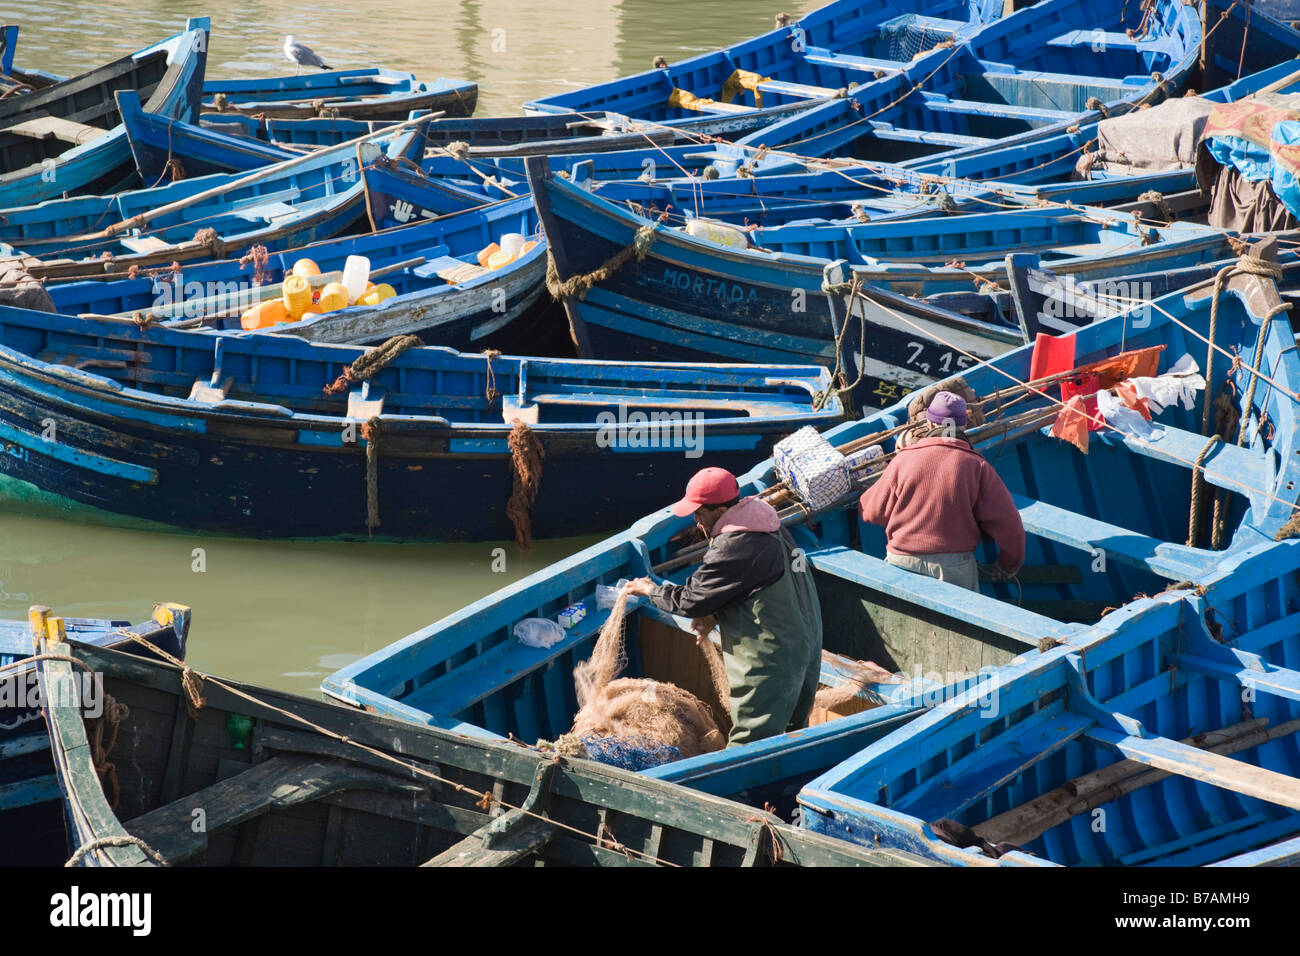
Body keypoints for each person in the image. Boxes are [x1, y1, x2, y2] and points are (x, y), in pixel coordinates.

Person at [623, 467, 822, 746]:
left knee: (751, 742)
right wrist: (715, 613)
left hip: (771, 660)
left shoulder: (735, 543)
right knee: (791, 730)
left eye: (700, 513)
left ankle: (741, 791)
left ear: (718, 511)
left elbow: (690, 600)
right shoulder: (766, 522)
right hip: (806, 643)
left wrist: (651, 590)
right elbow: (750, 582)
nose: (695, 520)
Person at [859, 390, 1025, 591]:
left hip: (901, 563)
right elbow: (1011, 527)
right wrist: (1007, 566)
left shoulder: (903, 459)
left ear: (929, 424)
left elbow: (871, 511)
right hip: (952, 569)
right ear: (964, 426)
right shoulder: (977, 466)